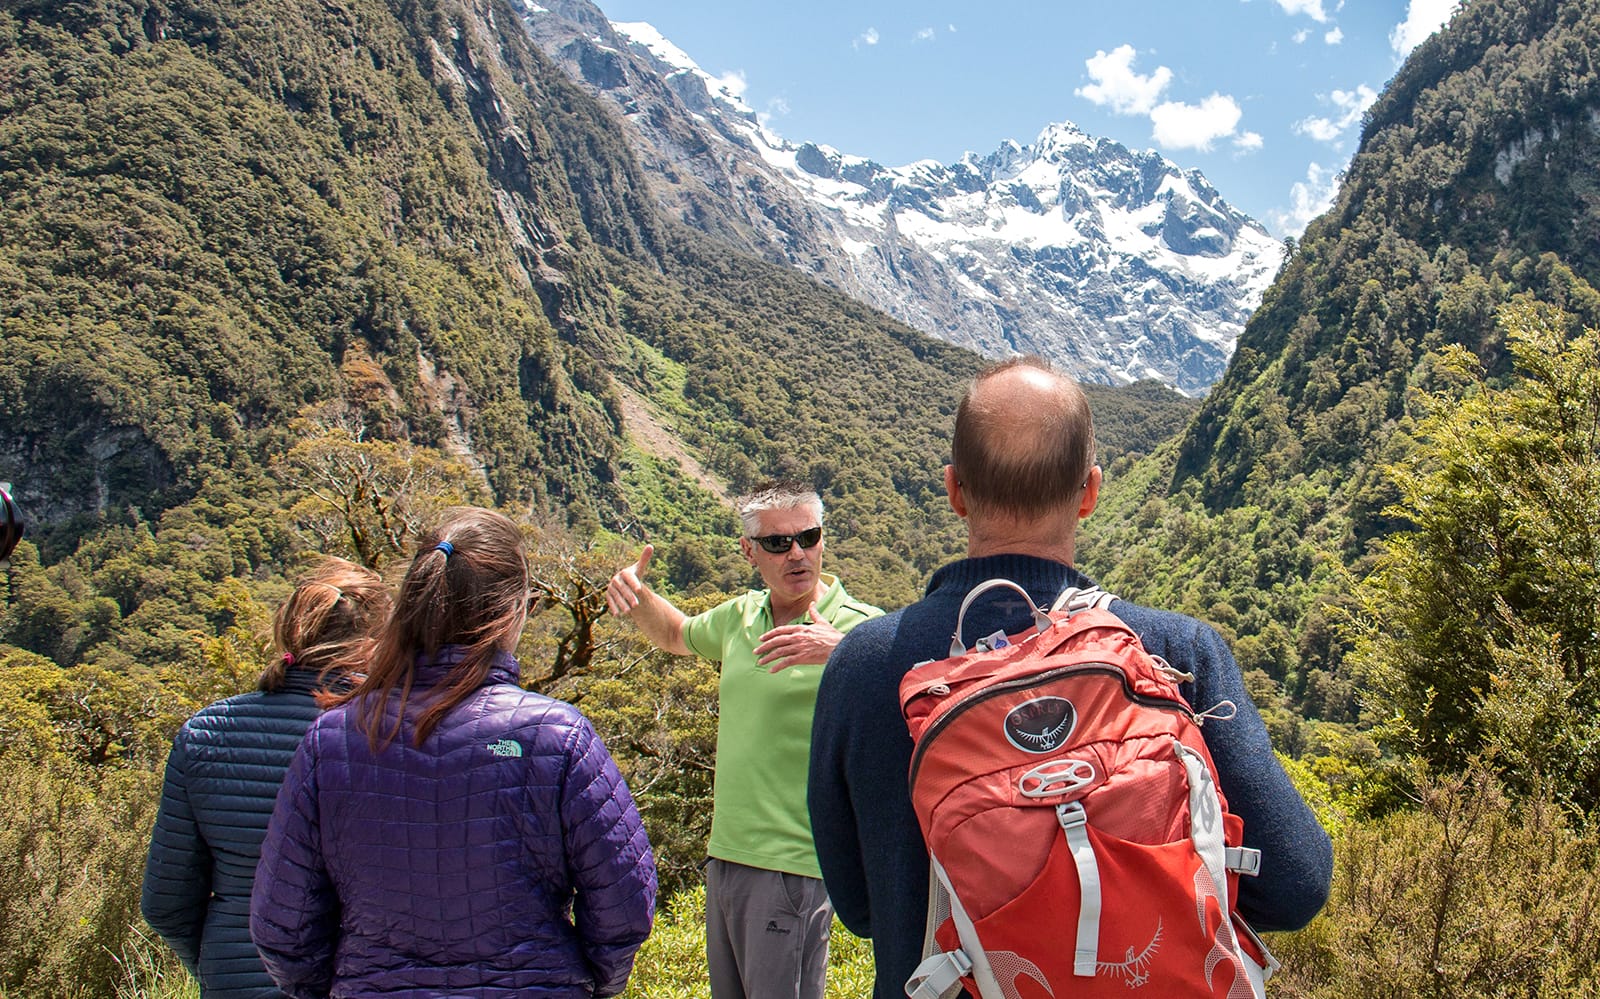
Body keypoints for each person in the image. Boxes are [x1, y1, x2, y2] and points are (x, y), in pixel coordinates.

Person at [808, 357, 1335, 999]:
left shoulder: (864, 666)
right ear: (1090, 491)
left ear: (954, 490)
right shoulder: (1176, 652)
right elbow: (1298, 885)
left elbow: (861, 910)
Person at [250, 507, 656, 999]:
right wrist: (587, 981)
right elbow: (624, 905)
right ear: (513, 610)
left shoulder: (332, 740)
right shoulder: (557, 735)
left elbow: (282, 925)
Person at [605, 481, 883, 999]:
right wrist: (637, 595)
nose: (797, 553)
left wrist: (844, 652)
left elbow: (922, 689)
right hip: (727, 858)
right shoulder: (740, 617)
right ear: (749, 550)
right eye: (778, 543)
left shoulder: (863, 631)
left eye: (809, 536)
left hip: (793, 866)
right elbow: (676, 635)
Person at [141, 556, 392, 999]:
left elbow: (166, 903)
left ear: (289, 630)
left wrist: (217, 969)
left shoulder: (205, 734)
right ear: (378, 641)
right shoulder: (396, 736)